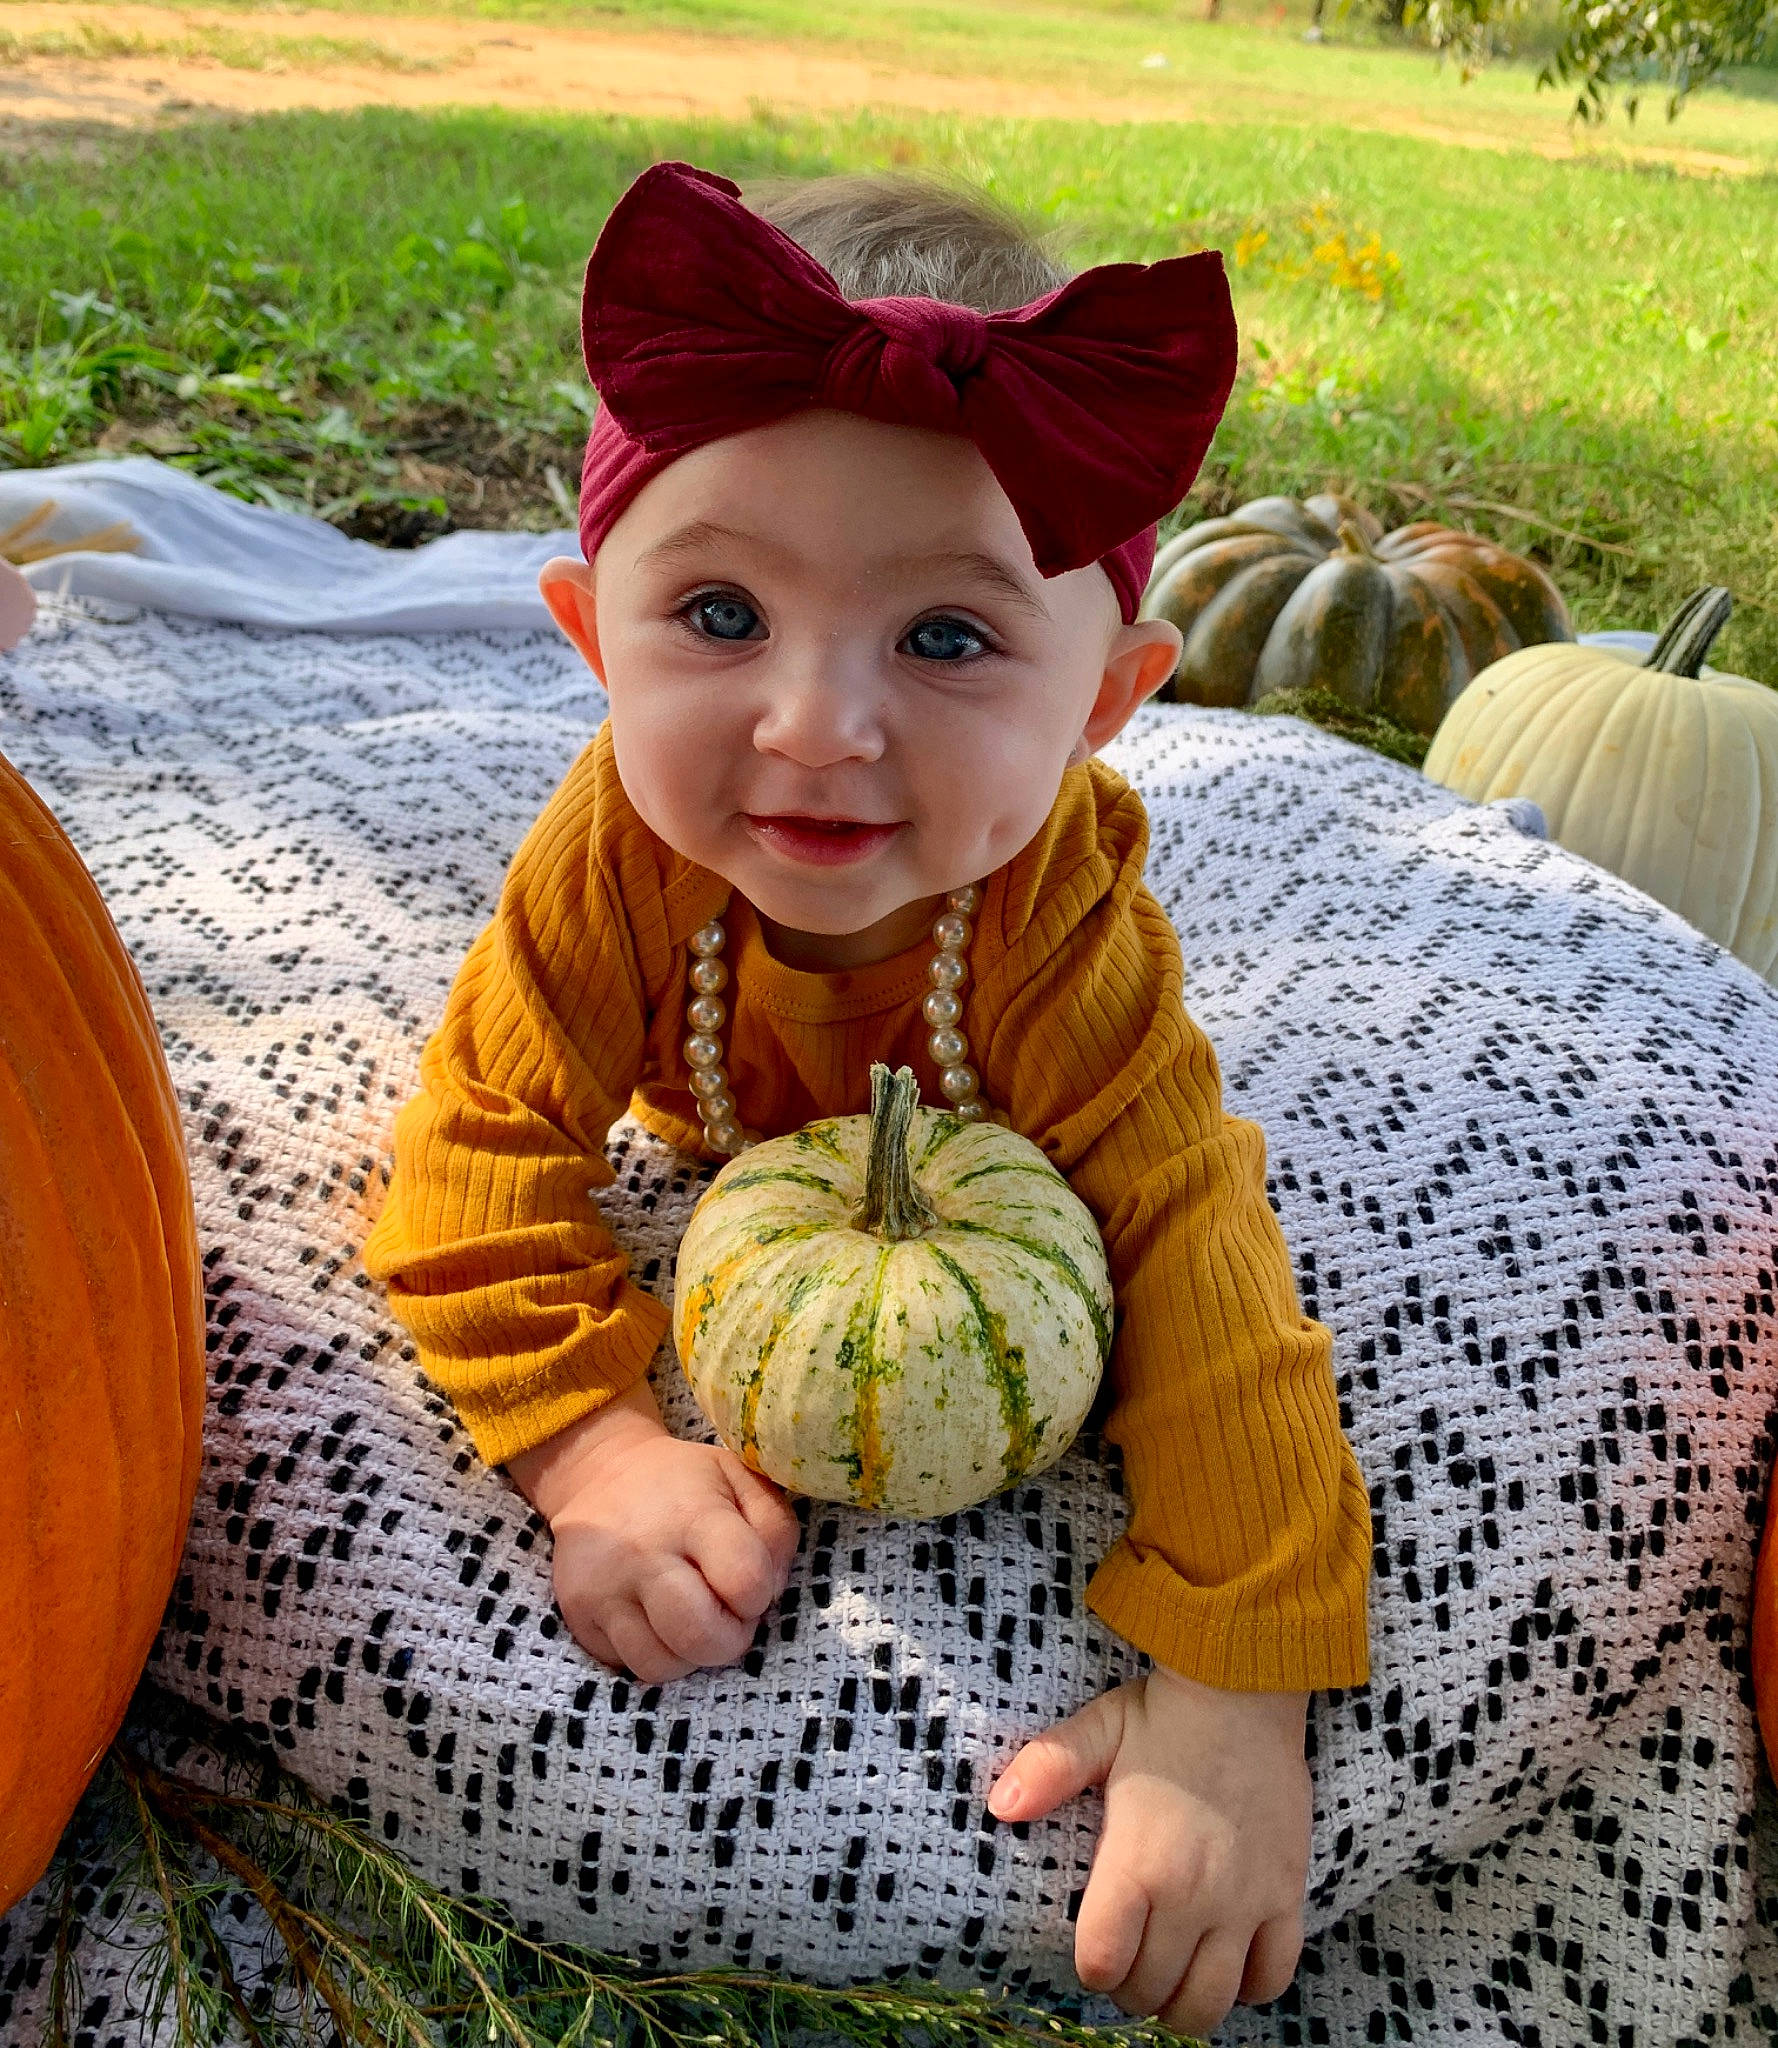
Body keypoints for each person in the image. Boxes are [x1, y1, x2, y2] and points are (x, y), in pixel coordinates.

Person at [361, 160, 1372, 2039]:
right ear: (590, 639)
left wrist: (1235, 1692)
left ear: (1104, 702)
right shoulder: (609, 864)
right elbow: (473, 1151)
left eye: (946, 639)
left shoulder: (1066, 933)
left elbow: (1196, 1248)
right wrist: (591, 1448)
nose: (815, 723)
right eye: (720, 614)